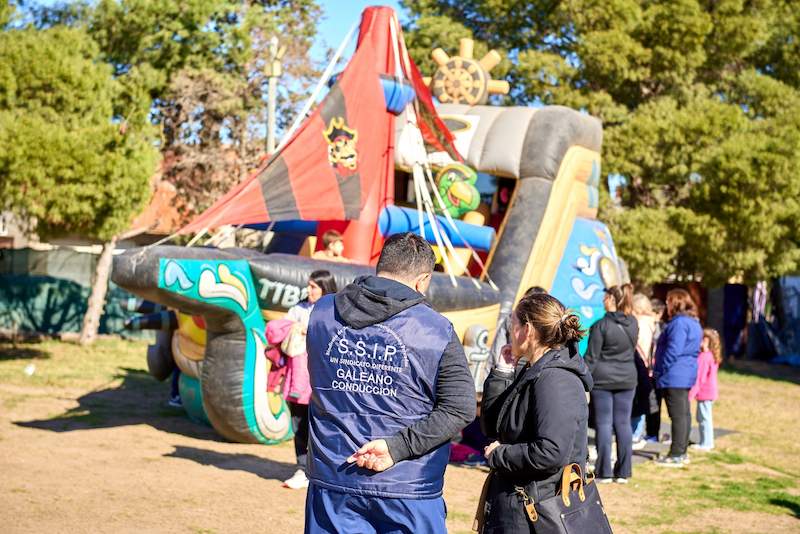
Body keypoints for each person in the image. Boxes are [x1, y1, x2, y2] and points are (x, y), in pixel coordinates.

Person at [304, 232, 476, 533]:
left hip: (340, 475)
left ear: (379, 266)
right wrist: (397, 448)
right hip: (405, 489)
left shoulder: (321, 312)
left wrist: (397, 448)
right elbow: (461, 408)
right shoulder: (436, 330)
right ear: (423, 280)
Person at [480, 293, 592, 532]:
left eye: (513, 325)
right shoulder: (533, 370)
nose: (510, 332)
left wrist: (501, 455)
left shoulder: (555, 378)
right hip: (516, 504)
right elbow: (493, 427)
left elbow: (551, 452)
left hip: (537, 511)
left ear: (527, 330)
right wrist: (502, 372)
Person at [282, 270, 337, 490]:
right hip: (297, 379)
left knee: (321, 427)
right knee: (299, 424)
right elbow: (281, 329)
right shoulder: (298, 309)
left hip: (323, 381)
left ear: (325, 288)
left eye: (314, 286)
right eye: (308, 286)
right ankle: (302, 468)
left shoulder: (334, 310)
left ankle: (321, 470)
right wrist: (295, 330)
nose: (309, 290)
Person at [584, 285, 638, 483]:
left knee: (604, 424)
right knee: (623, 424)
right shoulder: (633, 323)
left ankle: (604, 471)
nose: (602, 300)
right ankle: (623, 472)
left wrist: (581, 376)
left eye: (605, 297)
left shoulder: (600, 326)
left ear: (612, 300)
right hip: (627, 378)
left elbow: (591, 357)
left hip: (603, 379)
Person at [653, 289, 702, 467]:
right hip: (685, 373)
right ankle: (681, 451)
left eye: (668, 301)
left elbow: (674, 349)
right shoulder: (693, 321)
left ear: (675, 302)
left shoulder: (679, 323)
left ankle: (676, 454)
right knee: (684, 414)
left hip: (675, 374)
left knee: (678, 416)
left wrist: (661, 369)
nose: (666, 305)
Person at [485, 286, 548, 377]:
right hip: (509, 370)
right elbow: (497, 350)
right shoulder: (511, 318)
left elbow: (497, 351)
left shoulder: (513, 318)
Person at [631, 293, 657, 447]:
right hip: (647, 366)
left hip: (641, 365)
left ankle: (636, 433)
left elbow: (641, 346)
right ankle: (636, 432)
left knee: (639, 401)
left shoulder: (642, 323)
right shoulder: (651, 322)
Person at [689, 328, 721, 451]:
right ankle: (705, 441)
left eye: (702, 340)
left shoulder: (704, 357)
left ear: (708, 342)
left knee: (704, 418)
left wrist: (690, 395)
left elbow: (699, 379)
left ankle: (706, 443)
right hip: (709, 393)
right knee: (703, 417)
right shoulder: (712, 356)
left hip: (705, 393)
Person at [645, 298, 666, 441]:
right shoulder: (646, 325)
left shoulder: (662, 328)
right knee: (648, 401)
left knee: (655, 403)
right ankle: (648, 431)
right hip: (647, 368)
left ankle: (653, 433)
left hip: (656, 370)